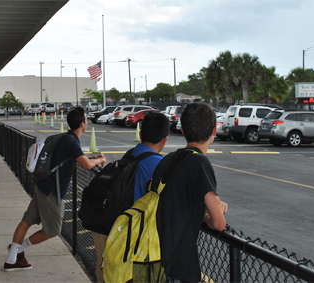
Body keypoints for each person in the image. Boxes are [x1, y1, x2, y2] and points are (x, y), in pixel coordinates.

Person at [4, 107, 107, 272]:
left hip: (43, 185)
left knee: (27, 221)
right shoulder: (72, 141)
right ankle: (19, 249)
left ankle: (11, 260)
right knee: (53, 230)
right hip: (51, 191)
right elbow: (87, 165)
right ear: (82, 124)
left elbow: (74, 159)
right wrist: (99, 160)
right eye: (86, 120)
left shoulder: (66, 138)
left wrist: (90, 158)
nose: (87, 122)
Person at [94, 111, 169, 283]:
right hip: (133, 242)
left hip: (107, 229)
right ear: (165, 140)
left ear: (141, 135)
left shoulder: (130, 155)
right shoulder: (161, 166)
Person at [156, 102, 228, 283]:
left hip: (157, 255)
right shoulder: (200, 162)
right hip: (180, 263)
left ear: (182, 130)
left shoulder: (169, 159)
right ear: (214, 130)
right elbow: (219, 223)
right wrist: (212, 212)